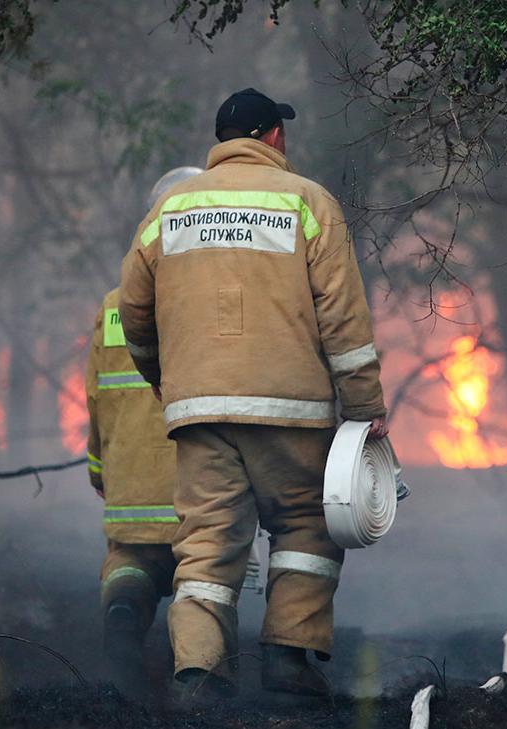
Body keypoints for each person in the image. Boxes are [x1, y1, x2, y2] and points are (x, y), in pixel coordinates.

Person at [118, 88, 389, 700]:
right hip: (292, 412)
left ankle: (198, 671)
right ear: (273, 137)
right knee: (305, 525)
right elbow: (344, 320)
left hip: (200, 413)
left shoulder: (168, 211)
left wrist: (167, 382)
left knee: (208, 542)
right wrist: (366, 409)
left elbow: (134, 313)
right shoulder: (309, 203)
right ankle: (290, 658)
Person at [85, 167, 202, 689]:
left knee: (129, 564)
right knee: (203, 574)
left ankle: (123, 620)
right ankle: (200, 672)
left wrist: (100, 471)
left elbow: (95, 399)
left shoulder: (113, 305)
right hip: (196, 484)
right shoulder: (206, 303)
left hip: (129, 487)